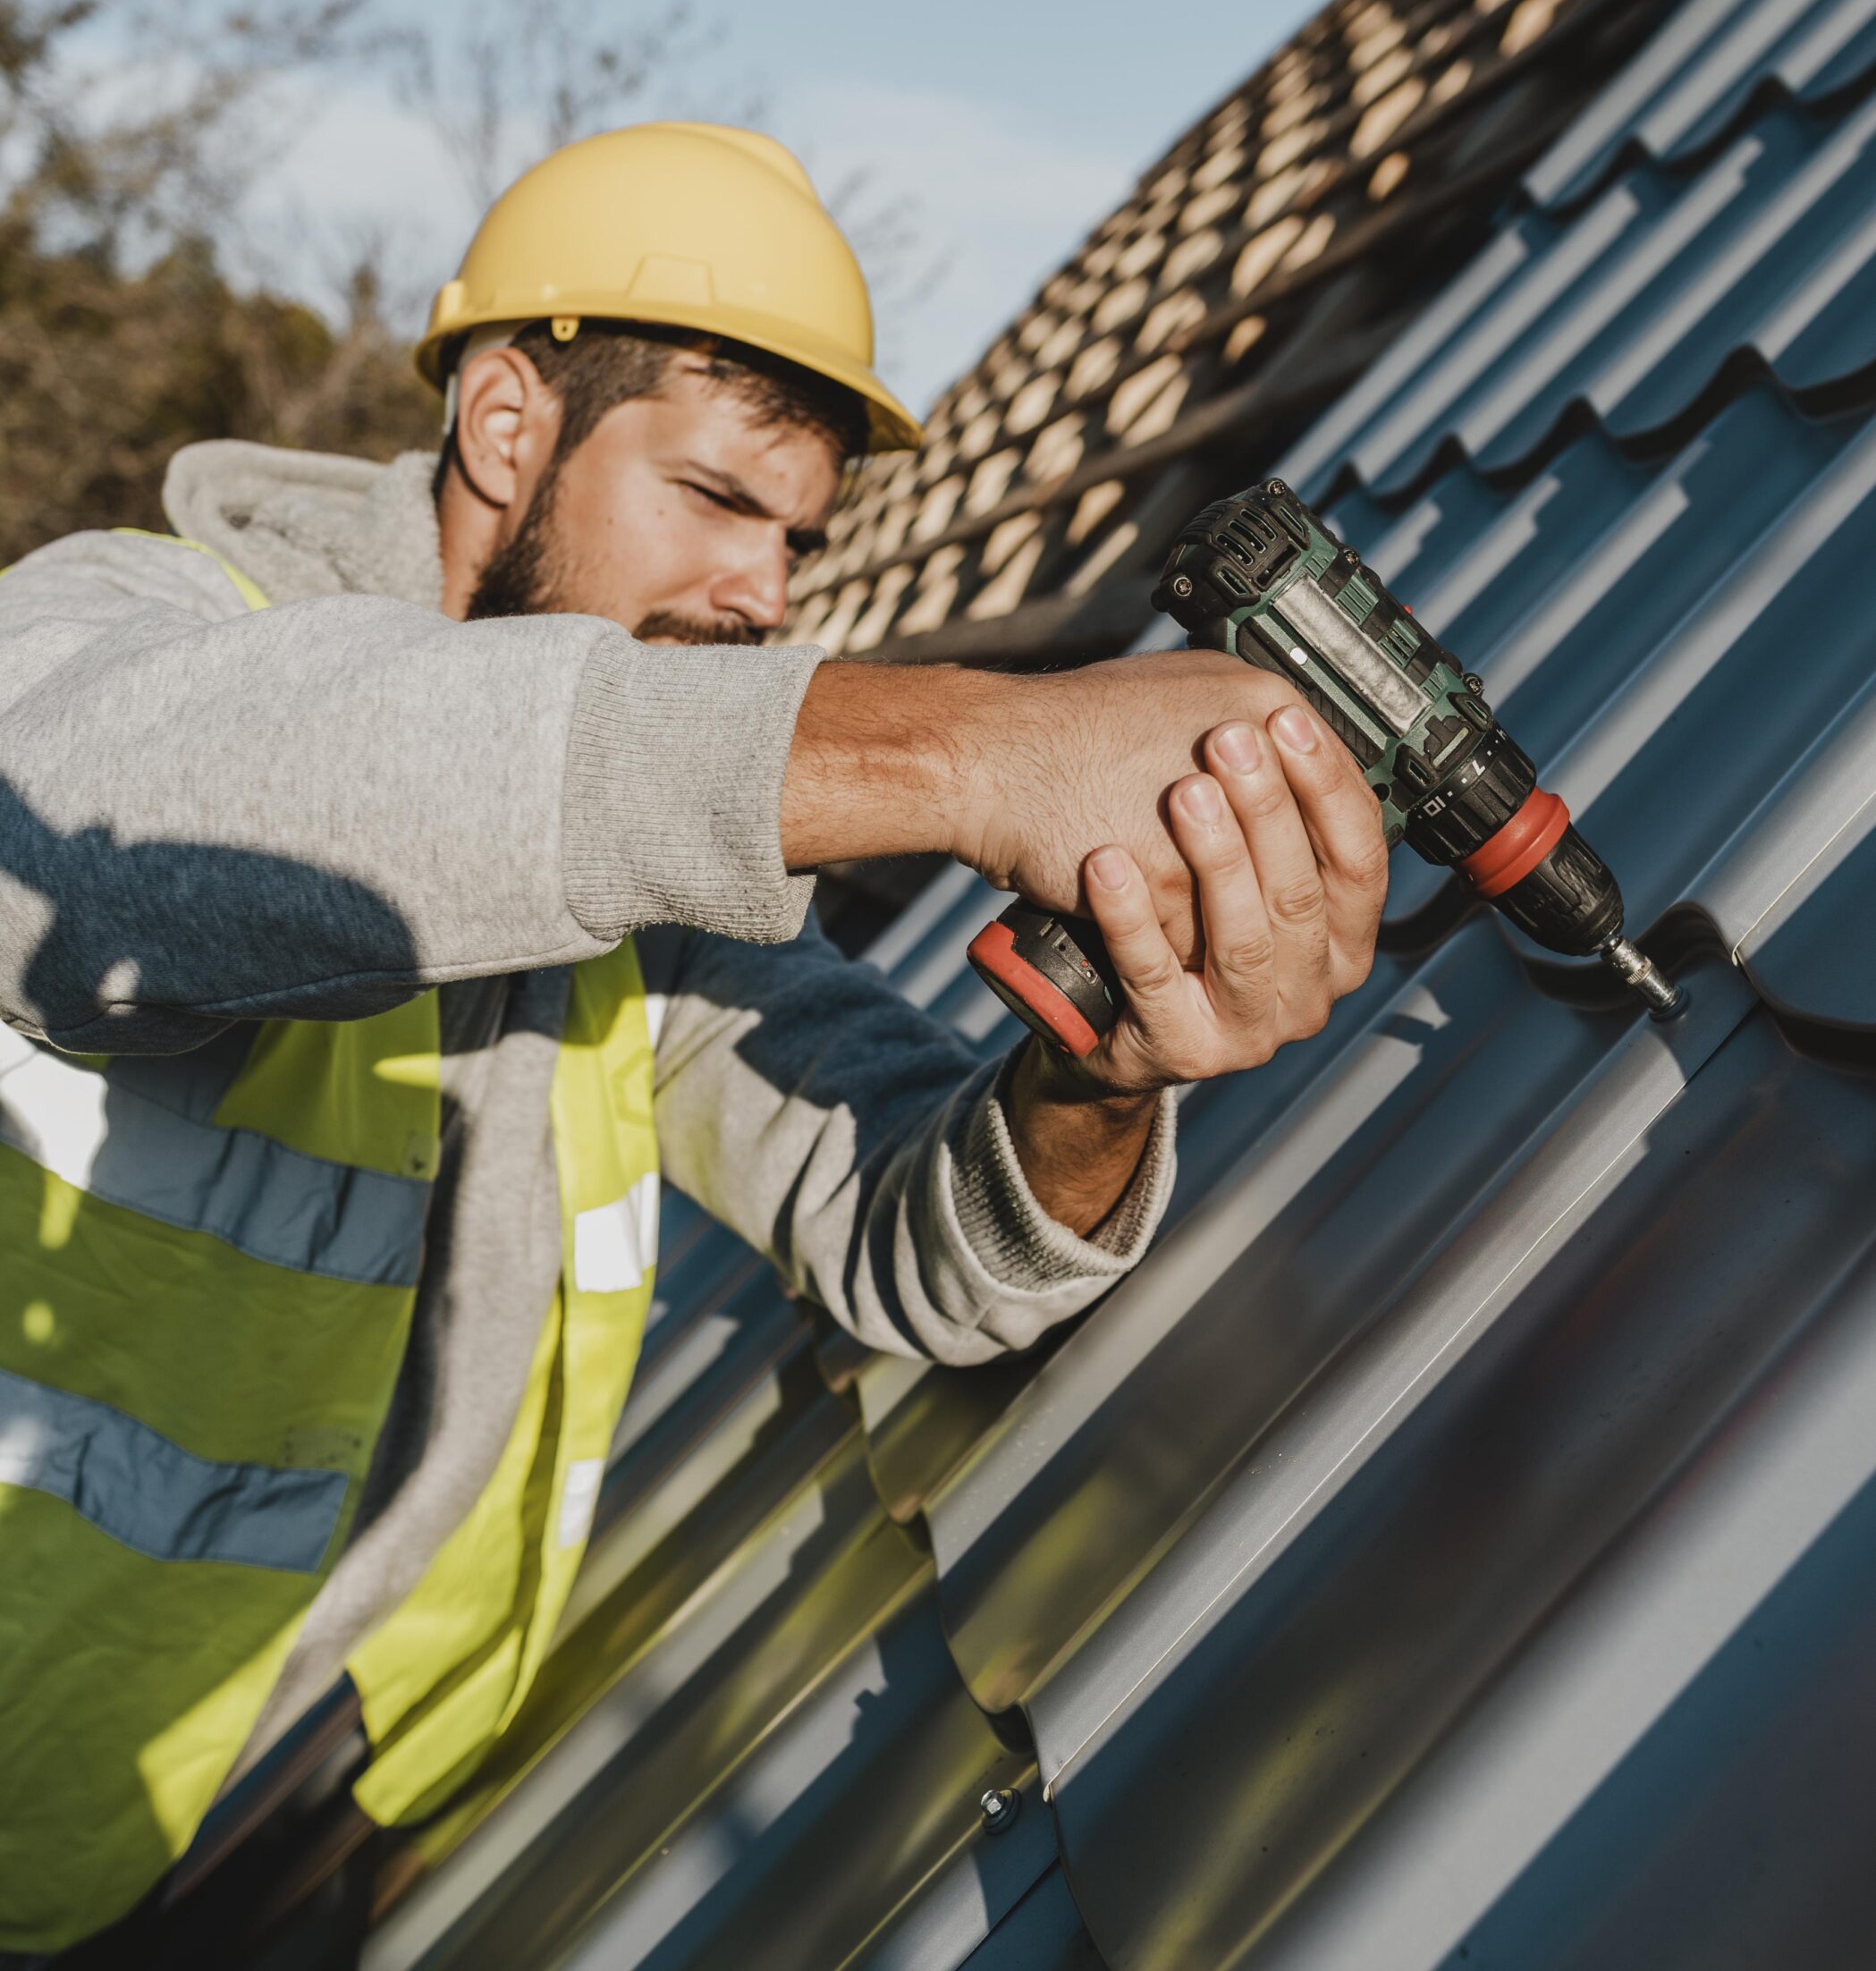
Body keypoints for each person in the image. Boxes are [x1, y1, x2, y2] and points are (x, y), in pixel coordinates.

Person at [0, 123, 1388, 1954]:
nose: (766, 593)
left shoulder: (638, 903)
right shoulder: (124, 627)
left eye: (799, 536)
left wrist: (1098, 1070)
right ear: (507, 425)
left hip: (258, 1816)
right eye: (720, 500)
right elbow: (102, 845)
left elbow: (920, 1243)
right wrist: (959, 746)